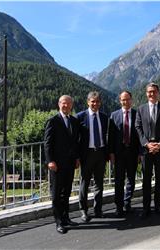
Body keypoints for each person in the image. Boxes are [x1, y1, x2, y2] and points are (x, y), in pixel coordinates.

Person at [44, 95, 80, 234]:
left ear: (71, 106)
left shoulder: (74, 121)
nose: (66, 106)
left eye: (69, 104)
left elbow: (75, 142)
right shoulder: (53, 121)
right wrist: (50, 161)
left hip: (70, 163)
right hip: (57, 164)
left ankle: (66, 218)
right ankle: (58, 222)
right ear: (59, 104)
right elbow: (47, 143)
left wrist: (77, 158)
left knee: (67, 192)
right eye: (64, 103)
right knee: (56, 194)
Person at [135, 82, 160, 218]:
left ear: (158, 93)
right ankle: (146, 208)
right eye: (149, 92)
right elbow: (138, 127)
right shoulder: (141, 109)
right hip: (146, 150)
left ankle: (158, 206)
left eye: (154, 91)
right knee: (146, 179)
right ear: (146, 93)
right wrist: (146, 144)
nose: (151, 94)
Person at [76, 91, 109, 222]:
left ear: (100, 103)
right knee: (84, 183)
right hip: (86, 154)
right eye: (92, 101)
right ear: (88, 102)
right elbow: (76, 138)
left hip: (100, 153)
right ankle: (83, 211)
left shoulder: (104, 117)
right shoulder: (80, 117)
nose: (95, 104)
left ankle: (98, 210)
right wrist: (77, 157)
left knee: (99, 183)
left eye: (97, 101)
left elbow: (107, 136)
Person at [109, 91, 140, 217]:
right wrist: (111, 153)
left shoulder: (136, 114)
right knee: (119, 180)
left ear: (131, 100)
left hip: (132, 153)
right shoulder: (114, 115)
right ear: (120, 101)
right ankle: (119, 206)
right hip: (119, 154)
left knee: (131, 180)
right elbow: (111, 136)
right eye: (123, 100)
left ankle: (127, 203)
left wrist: (139, 153)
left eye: (127, 99)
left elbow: (139, 136)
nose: (125, 102)